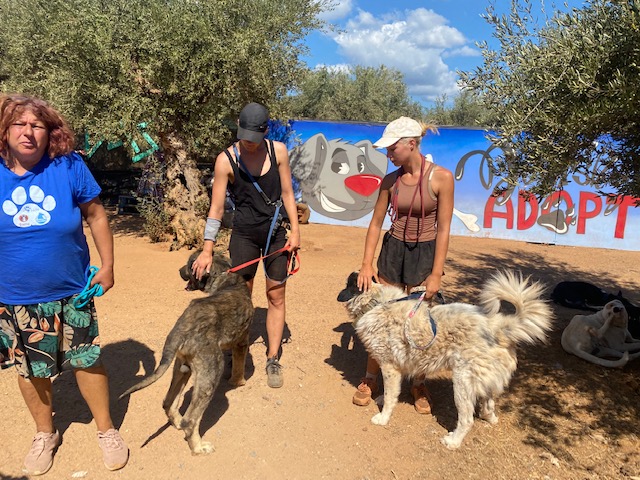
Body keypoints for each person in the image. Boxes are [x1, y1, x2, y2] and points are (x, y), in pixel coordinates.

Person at [0, 94, 128, 475]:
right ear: (5, 131)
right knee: (30, 369)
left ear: (49, 132)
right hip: (14, 295)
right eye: (19, 124)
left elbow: (96, 215)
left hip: (72, 287)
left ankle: (106, 430)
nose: (28, 132)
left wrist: (108, 265)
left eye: (36, 125)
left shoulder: (69, 166)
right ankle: (45, 433)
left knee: (85, 360)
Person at [192, 102, 300, 388]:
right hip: (243, 235)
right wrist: (207, 248)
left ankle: (273, 357)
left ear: (265, 131)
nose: (247, 144)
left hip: (276, 234)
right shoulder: (225, 160)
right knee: (241, 297)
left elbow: (288, 194)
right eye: (243, 137)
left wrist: (296, 232)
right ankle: (234, 353)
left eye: (253, 139)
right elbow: (216, 209)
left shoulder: (278, 152)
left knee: (276, 296)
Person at [353, 116, 454, 413]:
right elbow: (375, 224)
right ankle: (371, 378)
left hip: (425, 254)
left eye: (392, 148)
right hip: (393, 251)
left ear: (411, 144)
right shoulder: (390, 181)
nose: (388, 153)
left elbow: (444, 229)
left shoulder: (442, 178)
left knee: (420, 322)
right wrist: (366, 264)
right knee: (382, 319)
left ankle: (418, 383)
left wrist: (436, 273)